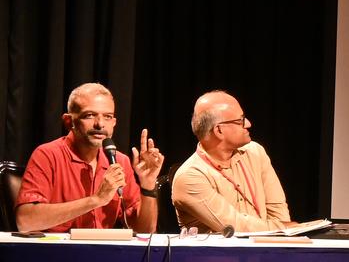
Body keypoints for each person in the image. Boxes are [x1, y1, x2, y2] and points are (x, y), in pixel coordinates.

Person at [15, 82, 163, 233]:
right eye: (89, 115)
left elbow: (144, 231)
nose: (100, 124)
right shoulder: (47, 155)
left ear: (114, 123)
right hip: (57, 253)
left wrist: (148, 185)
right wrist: (96, 200)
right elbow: (26, 221)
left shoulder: (120, 161)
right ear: (69, 121)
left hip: (103, 254)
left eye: (107, 117)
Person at [172, 91, 294, 233]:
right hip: (219, 255)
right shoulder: (189, 177)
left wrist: (285, 231)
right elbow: (235, 228)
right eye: (240, 120)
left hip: (267, 249)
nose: (248, 124)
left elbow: (279, 213)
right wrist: (286, 229)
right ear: (219, 130)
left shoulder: (255, 152)